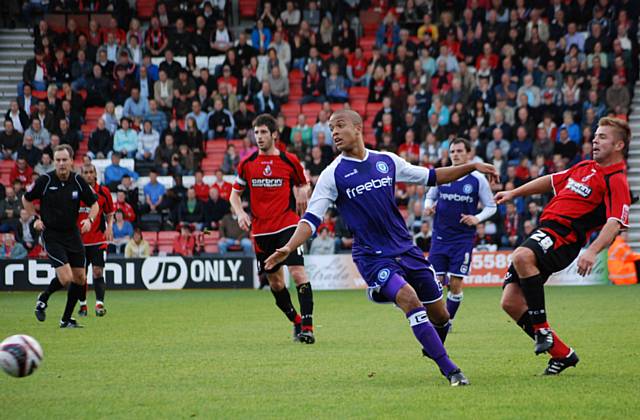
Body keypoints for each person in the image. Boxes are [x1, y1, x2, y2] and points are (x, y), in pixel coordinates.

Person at [265, 110, 499, 386]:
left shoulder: (386, 161)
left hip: (406, 249)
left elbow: (433, 176)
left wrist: (471, 166)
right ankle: (451, 370)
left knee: (441, 315)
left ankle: (417, 328)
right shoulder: (333, 174)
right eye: (331, 129)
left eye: (339, 126)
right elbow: (311, 219)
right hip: (372, 256)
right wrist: (289, 246)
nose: (334, 133)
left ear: (358, 128)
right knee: (409, 298)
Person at [496, 117, 631, 375]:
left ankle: (542, 329)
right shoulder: (585, 167)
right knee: (510, 303)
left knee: (522, 256)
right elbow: (550, 180)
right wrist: (514, 193)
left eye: (603, 137)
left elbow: (615, 222)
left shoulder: (616, 180)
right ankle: (563, 354)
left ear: (619, 145)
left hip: (564, 237)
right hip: (544, 230)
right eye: (595, 136)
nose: (595, 140)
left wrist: (592, 251)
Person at [230, 114, 315, 344]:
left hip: (287, 225)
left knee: (298, 273)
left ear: (274, 135)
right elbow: (234, 194)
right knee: (276, 284)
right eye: (256, 133)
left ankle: (308, 327)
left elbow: (303, 183)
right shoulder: (247, 164)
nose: (259, 137)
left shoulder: (289, 161)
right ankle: (296, 321)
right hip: (261, 232)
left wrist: (303, 191)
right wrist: (240, 213)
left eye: (263, 132)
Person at [424, 138, 497, 327]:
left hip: (462, 238)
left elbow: (491, 206)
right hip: (440, 237)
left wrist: (477, 218)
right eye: (453, 151)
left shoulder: (477, 179)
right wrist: (428, 206)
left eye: (459, 151)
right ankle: (439, 321)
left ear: (468, 154)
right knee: (435, 281)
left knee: (455, 284)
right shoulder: (442, 174)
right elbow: (430, 196)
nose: (455, 154)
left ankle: (448, 319)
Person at [26, 145, 99, 328]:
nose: (61, 163)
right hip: (52, 234)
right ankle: (43, 297)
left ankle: (66, 319)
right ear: (53, 162)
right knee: (66, 278)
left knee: (80, 279)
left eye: (64, 160)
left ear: (71, 161)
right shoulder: (45, 180)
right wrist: (35, 218)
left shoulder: (78, 181)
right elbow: (26, 199)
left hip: (72, 234)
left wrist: (90, 219)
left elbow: (95, 204)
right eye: (57, 160)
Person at [76, 164, 114, 318]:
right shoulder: (75, 192)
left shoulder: (103, 192)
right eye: (86, 172)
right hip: (78, 242)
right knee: (80, 276)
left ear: (95, 174)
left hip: (98, 240)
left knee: (98, 272)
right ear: (81, 175)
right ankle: (83, 305)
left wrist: (110, 227)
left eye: (91, 172)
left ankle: (99, 304)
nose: (89, 175)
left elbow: (110, 212)